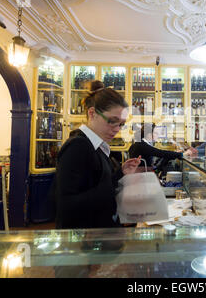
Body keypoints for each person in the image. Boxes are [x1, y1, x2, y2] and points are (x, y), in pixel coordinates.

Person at [53, 80, 141, 229]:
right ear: (92, 113)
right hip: (88, 241)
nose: (117, 129)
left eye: (121, 124)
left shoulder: (97, 146)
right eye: (113, 121)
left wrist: (121, 173)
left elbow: (96, 184)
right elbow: (67, 206)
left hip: (101, 235)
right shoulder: (78, 146)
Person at [128, 123, 196, 168]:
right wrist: (182, 154)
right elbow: (161, 153)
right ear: (149, 134)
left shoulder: (141, 143)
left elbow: (159, 153)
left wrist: (176, 153)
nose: (158, 136)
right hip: (141, 178)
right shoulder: (142, 145)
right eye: (156, 133)